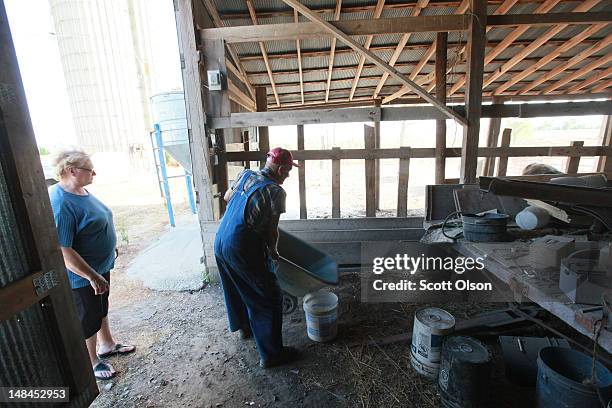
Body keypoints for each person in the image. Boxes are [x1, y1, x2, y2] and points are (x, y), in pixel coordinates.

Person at [48, 150, 135, 380]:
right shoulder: (61, 202)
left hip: (100, 266)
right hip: (83, 275)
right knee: (88, 318)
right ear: (72, 171)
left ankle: (106, 344)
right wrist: (92, 276)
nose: (94, 173)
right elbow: (64, 250)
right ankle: (92, 362)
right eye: (89, 169)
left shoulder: (80, 191)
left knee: (101, 307)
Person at [214, 147, 300, 368]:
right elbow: (272, 230)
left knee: (237, 286)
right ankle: (272, 355)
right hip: (241, 246)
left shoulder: (246, 174)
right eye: (288, 171)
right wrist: (274, 253)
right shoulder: (276, 192)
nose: (288, 175)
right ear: (280, 169)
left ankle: (245, 328)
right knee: (269, 297)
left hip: (221, 240)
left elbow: (226, 197)